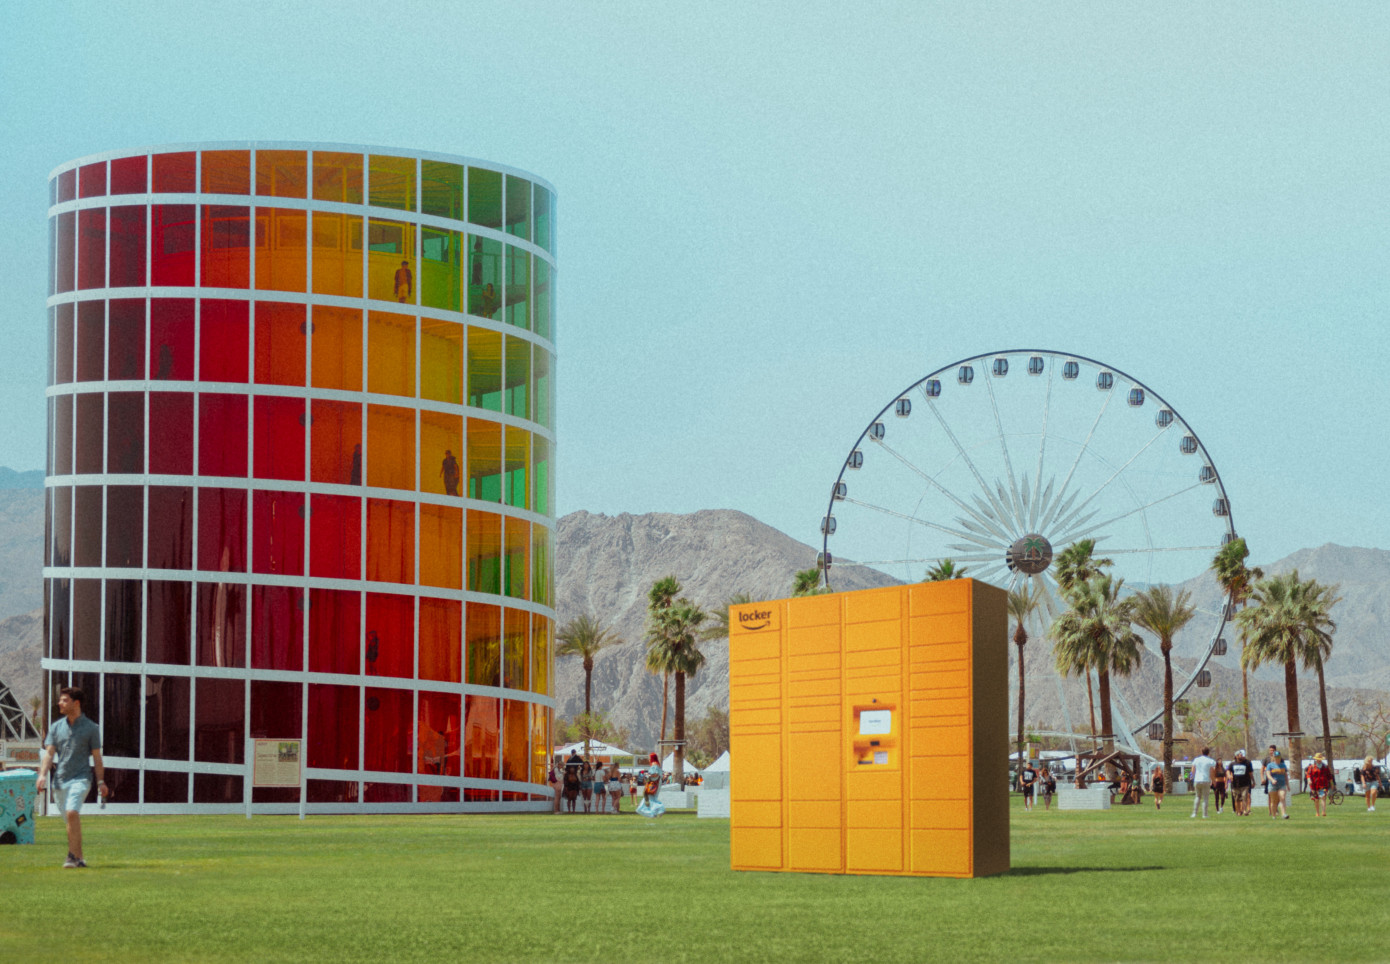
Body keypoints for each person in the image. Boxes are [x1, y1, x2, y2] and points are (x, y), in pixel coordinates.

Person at [34, 686, 107, 868]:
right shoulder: (56, 727)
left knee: (72, 812)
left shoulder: (91, 728)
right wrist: (42, 775)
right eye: (60, 700)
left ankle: (71, 856)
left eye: (64, 700)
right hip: (59, 781)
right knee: (70, 820)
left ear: (76, 703)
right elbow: (49, 754)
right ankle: (79, 858)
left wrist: (100, 781)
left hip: (81, 778)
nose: (60, 703)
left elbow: (97, 758)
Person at [636, 753, 666, 818]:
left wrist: (648, 775)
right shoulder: (657, 765)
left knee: (651, 798)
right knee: (652, 798)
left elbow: (655, 774)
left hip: (653, 784)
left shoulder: (654, 765)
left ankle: (660, 808)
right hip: (656, 783)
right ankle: (654, 813)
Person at [1190, 747, 1217, 819]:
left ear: (1201, 752)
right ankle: (1204, 814)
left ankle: (1194, 813)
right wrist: (1213, 781)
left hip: (1197, 780)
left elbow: (1192, 770)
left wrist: (1191, 777)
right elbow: (1212, 772)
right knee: (1205, 798)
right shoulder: (1211, 761)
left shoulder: (1196, 760)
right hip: (1205, 780)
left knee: (1197, 797)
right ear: (1208, 753)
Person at [1306, 752, 1332, 817]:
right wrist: (1309, 780)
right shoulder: (1311, 767)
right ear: (1315, 759)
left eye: (1320, 759)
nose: (1319, 760)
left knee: (1323, 797)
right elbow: (1308, 775)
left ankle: (1323, 812)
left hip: (1323, 785)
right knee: (1316, 799)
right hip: (1314, 786)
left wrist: (1332, 784)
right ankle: (1317, 813)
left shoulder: (1325, 766)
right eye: (1317, 759)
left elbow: (1329, 776)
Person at [1266, 750, 1290, 819]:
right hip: (1273, 785)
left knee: (1282, 798)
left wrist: (1287, 785)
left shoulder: (1283, 765)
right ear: (1273, 757)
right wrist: (1272, 780)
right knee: (1274, 801)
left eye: (1278, 757)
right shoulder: (1270, 765)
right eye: (1276, 757)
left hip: (1282, 784)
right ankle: (1274, 815)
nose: (1277, 758)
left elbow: (1285, 775)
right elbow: (1268, 774)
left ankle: (1284, 814)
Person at [1229, 750, 1254, 816]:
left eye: (1241, 755)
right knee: (1236, 799)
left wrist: (1253, 781)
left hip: (1245, 784)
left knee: (1244, 797)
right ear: (1236, 756)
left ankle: (1245, 810)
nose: (1241, 756)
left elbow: (1250, 773)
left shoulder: (1247, 763)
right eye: (1240, 755)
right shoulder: (1232, 764)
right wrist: (1229, 776)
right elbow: (1228, 771)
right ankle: (1238, 811)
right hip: (1235, 784)